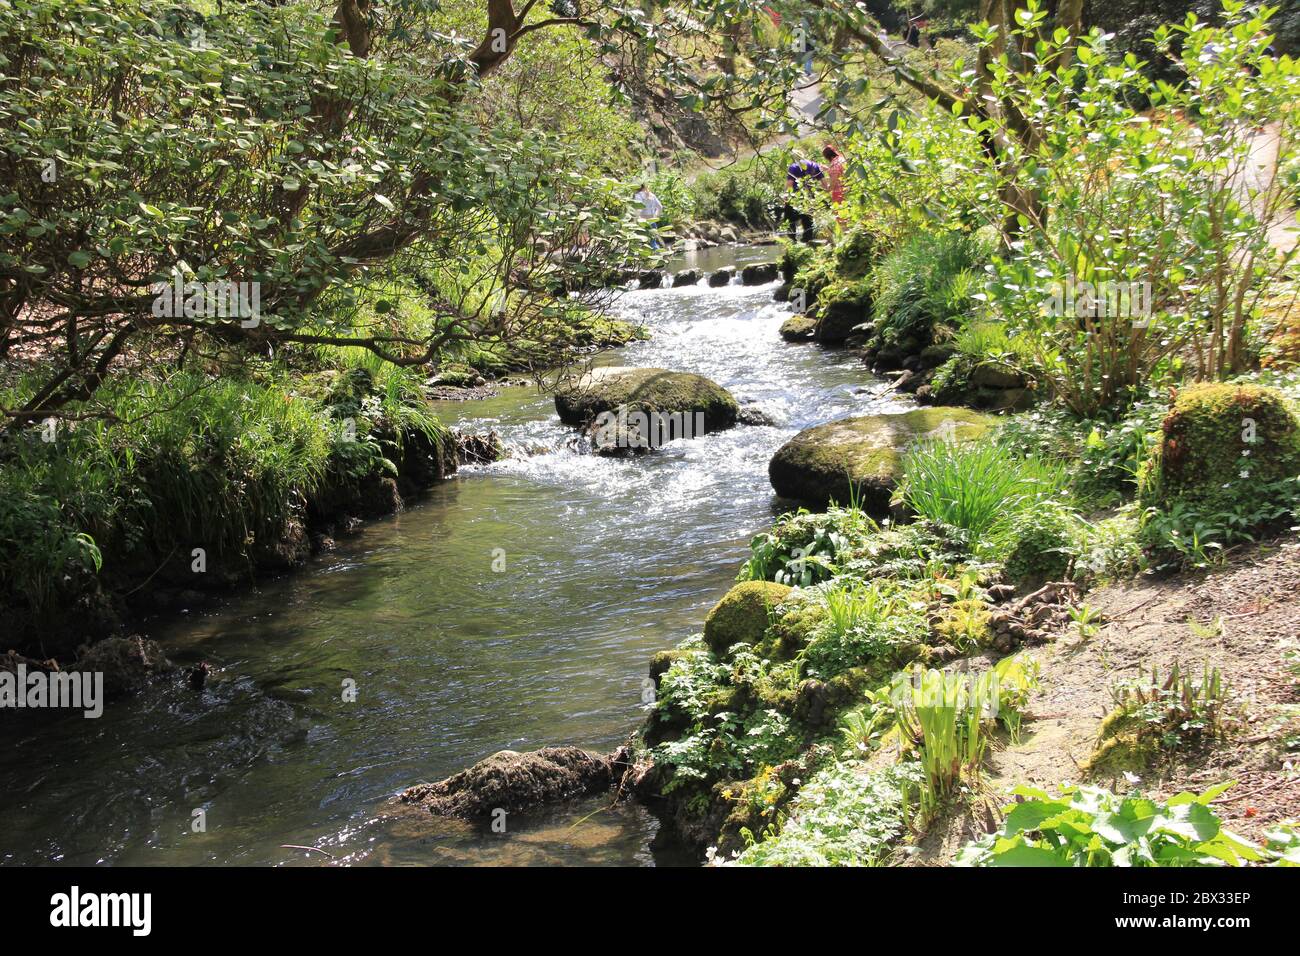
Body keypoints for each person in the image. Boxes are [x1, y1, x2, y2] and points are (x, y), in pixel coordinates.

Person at [784, 154, 822, 243]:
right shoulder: (814, 165)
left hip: (795, 197)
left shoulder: (793, 167)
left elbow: (790, 184)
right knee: (808, 222)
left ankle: (792, 242)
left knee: (790, 221)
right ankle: (808, 241)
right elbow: (823, 182)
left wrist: (786, 197)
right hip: (810, 197)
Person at [634, 183, 664, 250]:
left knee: (639, 244)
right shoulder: (652, 195)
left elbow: (639, 208)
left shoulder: (638, 195)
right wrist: (655, 217)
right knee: (653, 244)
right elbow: (660, 207)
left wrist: (635, 220)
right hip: (652, 221)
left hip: (642, 222)